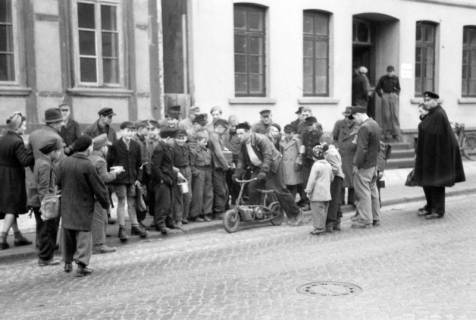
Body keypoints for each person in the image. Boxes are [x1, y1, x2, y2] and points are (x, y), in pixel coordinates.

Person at [56, 136, 109, 276]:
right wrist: (105, 203)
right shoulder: (87, 165)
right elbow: (98, 187)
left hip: (67, 203)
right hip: (84, 203)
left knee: (68, 233)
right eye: (91, 145)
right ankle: (81, 265)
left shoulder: (64, 162)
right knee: (84, 234)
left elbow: (58, 181)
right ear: (88, 148)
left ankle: (67, 262)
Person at [232, 122, 302, 224]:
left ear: (249, 132)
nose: (239, 136)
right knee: (252, 187)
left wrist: (264, 171)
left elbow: (267, 156)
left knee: (279, 190)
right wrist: (236, 174)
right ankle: (254, 214)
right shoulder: (243, 144)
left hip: (273, 166)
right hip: (259, 167)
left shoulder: (261, 139)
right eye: (237, 134)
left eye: (241, 133)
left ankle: (296, 213)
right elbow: (241, 160)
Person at [414, 91, 465, 219]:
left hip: (439, 156)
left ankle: (438, 210)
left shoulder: (439, 114)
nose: (425, 103)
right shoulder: (431, 114)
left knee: (436, 183)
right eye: (424, 100)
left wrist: (423, 121)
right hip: (429, 155)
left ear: (435, 101)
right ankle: (430, 206)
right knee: (427, 182)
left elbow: (432, 132)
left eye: (428, 100)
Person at [108, 121, 147, 241]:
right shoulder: (115, 146)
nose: (130, 133)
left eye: (132, 131)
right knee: (121, 201)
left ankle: (135, 226)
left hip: (132, 178)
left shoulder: (136, 145)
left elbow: (140, 164)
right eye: (127, 131)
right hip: (120, 179)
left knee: (132, 202)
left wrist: (138, 179)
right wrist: (114, 173)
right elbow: (109, 163)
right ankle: (122, 228)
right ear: (121, 131)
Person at [0, 112, 35, 250]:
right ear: (17, 126)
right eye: (24, 125)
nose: (25, 128)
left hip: (2, 174)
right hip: (12, 176)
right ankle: (2, 239)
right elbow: (25, 161)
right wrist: (34, 152)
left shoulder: (3, 138)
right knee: (11, 207)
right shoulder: (17, 141)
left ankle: (18, 236)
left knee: (10, 205)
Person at [28, 139, 62, 265]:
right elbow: (43, 188)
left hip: (39, 201)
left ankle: (45, 256)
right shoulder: (45, 165)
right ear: (52, 152)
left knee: (43, 230)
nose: (59, 154)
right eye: (58, 151)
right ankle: (46, 258)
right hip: (44, 203)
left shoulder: (41, 161)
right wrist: (47, 206)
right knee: (48, 231)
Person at [89, 134, 123, 254]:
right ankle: (99, 244)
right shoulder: (101, 160)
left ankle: (95, 243)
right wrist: (115, 173)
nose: (107, 149)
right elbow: (105, 178)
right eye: (106, 146)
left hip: (90, 194)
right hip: (99, 195)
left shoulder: (90, 158)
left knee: (95, 219)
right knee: (101, 219)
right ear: (102, 147)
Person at [350, 106, 382, 228]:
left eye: (354, 118)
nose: (355, 121)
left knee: (363, 193)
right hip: (373, 164)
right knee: (373, 192)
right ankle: (375, 218)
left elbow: (362, 149)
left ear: (358, 115)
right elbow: (378, 147)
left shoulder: (364, 127)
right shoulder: (375, 124)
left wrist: (356, 164)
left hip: (364, 165)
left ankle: (365, 220)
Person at [150, 127, 178, 234]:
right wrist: (161, 179)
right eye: (173, 139)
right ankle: (160, 224)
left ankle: (168, 222)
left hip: (168, 178)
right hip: (162, 180)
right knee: (163, 203)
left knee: (169, 202)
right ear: (168, 138)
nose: (174, 141)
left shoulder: (166, 147)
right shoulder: (160, 148)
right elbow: (155, 167)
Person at [332, 106, 359, 206]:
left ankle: (352, 201)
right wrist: (336, 147)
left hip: (353, 156)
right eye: (346, 116)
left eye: (350, 116)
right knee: (341, 178)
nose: (348, 118)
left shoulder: (358, 126)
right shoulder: (339, 124)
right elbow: (334, 137)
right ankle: (340, 201)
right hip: (341, 155)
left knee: (353, 179)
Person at [305, 144, 333, 235]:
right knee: (324, 212)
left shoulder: (316, 166)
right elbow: (332, 178)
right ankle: (322, 226)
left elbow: (311, 180)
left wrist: (308, 190)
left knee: (317, 212)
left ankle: (318, 228)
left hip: (317, 194)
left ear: (314, 156)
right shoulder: (328, 165)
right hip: (326, 194)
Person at [321, 135, 345, 232]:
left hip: (335, 178)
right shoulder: (332, 151)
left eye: (321, 143)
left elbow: (335, 167)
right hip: (337, 177)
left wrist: (328, 176)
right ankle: (337, 222)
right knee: (336, 200)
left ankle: (330, 222)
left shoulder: (330, 153)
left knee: (333, 200)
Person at [190, 129, 214, 222]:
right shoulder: (194, 151)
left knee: (208, 193)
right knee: (198, 194)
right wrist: (196, 172)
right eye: (203, 140)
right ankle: (196, 214)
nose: (205, 142)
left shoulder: (208, 151)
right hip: (199, 171)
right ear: (197, 141)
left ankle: (207, 213)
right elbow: (191, 164)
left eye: (206, 140)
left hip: (208, 171)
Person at [209, 119, 232, 219]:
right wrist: (226, 165)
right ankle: (218, 212)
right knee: (220, 190)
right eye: (225, 129)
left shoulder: (218, 136)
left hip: (219, 167)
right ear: (219, 127)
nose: (225, 131)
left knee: (224, 189)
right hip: (217, 167)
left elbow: (221, 150)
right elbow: (218, 153)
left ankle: (223, 209)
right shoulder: (214, 136)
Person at [172, 129, 193, 226]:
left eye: (183, 138)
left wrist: (190, 169)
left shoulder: (187, 147)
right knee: (179, 196)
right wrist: (177, 172)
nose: (180, 140)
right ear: (175, 138)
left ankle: (185, 217)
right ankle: (178, 219)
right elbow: (170, 163)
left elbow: (190, 158)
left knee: (187, 195)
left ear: (186, 138)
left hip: (187, 170)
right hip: (178, 172)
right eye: (178, 138)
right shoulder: (172, 148)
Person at [376, 65, 401, 141]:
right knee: (386, 115)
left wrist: (396, 94)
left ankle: (396, 133)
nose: (390, 73)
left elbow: (399, 88)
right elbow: (377, 88)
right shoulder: (383, 78)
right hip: (386, 95)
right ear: (387, 72)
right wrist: (382, 95)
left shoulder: (396, 78)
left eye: (391, 72)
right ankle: (386, 133)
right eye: (389, 72)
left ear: (393, 71)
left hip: (393, 96)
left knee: (395, 115)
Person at [279, 125, 303, 199]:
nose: (288, 135)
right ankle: (288, 202)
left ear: (293, 133)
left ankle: (293, 201)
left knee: (293, 184)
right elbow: (280, 152)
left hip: (293, 165)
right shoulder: (282, 141)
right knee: (285, 184)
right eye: (287, 133)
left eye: (290, 133)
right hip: (284, 165)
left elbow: (301, 153)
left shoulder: (297, 141)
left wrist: (298, 163)